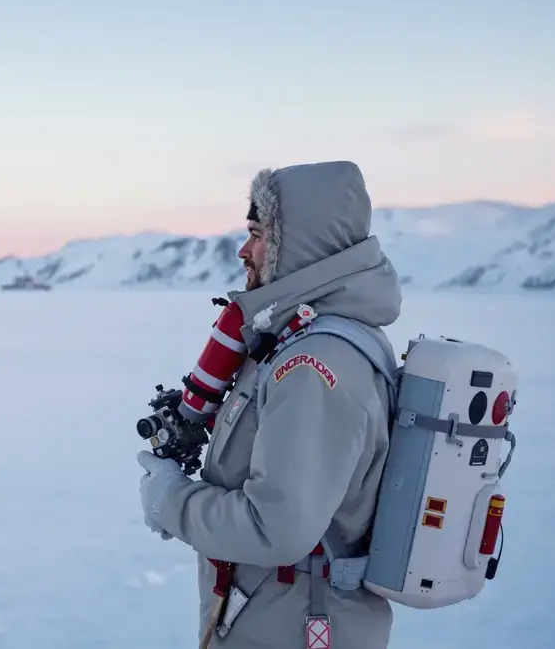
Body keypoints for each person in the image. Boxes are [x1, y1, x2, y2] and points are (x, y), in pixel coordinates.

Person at [137, 161, 402, 648]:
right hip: (278, 617)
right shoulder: (308, 343)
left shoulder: (313, 365)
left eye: (258, 235)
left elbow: (274, 528)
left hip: (293, 627)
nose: (244, 251)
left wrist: (168, 499)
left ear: (299, 247)